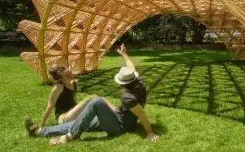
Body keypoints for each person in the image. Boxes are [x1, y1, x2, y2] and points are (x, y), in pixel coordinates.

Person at [24, 43, 159, 145]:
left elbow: (141, 114)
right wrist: (124, 54)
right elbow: (131, 67)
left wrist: (150, 132)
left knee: (96, 102)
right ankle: (39, 131)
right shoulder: (138, 82)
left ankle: (70, 136)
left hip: (120, 127)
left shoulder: (128, 97)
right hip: (116, 118)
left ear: (123, 83)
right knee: (82, 121)